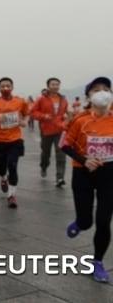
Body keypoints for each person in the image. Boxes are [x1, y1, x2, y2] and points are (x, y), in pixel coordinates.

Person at [61, 77, 113, 283]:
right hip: (83, 173)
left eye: (106, 89)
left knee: (103, 221)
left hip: (109, 174)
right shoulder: (80, 120)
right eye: (96, 90)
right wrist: (85, 160)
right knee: (86, 221)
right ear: (89, 96)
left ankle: (98, 262)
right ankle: (80, 223)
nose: (102, 93)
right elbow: (65, 145)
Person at [0, 78, 29, 208]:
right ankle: (3, 177)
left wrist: (24, 121)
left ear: (12, 87)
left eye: (8, 85)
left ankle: (11, 195)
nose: (5, 88)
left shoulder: (20, 101)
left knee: (12, 165)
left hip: (15, 139)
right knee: (2, 167)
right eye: (3, 86)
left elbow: (26, 114)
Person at [31, 78, 69, 187]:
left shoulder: (63, 99)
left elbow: (67, 113)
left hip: (60, 130)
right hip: (46, 131)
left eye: (57, 84)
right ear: (48, 86)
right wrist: (44, 116)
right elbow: (32, 113)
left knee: (61, 154)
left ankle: (60, 178)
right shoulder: (41, 99)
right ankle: (43, 166)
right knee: (45, 153)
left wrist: (67, 120)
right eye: (53, 84)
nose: (55, 86)